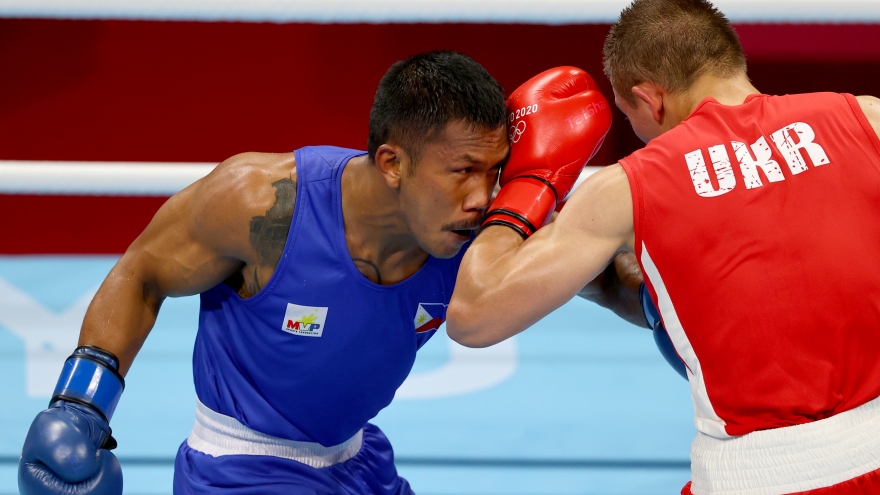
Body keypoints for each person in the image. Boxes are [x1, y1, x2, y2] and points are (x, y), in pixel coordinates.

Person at [18, 50, 513, 495]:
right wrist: (79, 406)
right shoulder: (264, 205)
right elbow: (143, 272)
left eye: (495, 171)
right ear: (391, 164)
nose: (481, 197)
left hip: (358, 463)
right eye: (464, 170)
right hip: (239, 471)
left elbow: (586, 275)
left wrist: (556, 203)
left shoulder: (480, 232)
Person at [446, 0, 880, 493]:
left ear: (649, 100)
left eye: (632, 116)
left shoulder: (627, 188)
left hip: (766, 477)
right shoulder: (865, 116)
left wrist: (528, 184)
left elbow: (474, 317)